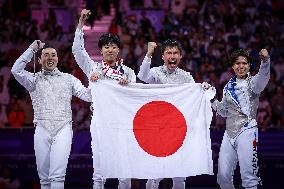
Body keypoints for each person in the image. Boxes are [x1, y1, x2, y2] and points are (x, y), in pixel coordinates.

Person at [11, 40, 92, 189]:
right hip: (41, 128)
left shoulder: (69, 79)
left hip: (63, 128)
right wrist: (31, 49)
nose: (50, 57)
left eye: (53, 55)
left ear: (57, 59)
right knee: (44, 179)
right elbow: (16, 70)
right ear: (40, 60)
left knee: (58, 176)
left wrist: (96, 81)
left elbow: (88, 96)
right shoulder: (33, 80)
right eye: (46, 55)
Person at [72, 9, 136, 189]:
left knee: (124, 169)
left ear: (118, 50)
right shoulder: (93, 69)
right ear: (101, 50)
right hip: (100, 121)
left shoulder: (129, 73)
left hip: (122, 122)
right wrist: (81, 24)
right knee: (99, 168)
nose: (110, 49)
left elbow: (134, 97)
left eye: (113, 46)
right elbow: (77, 50)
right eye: (106, 46)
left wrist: (128, 85)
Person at [137, 40, 211, 189]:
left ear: (180, 56)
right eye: (169, 53)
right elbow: (142, 76)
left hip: (178, 131)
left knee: (179, 175)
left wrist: (203, 88)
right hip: (158, 130)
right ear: (163, 57)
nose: (172, 56)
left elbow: (195, 97)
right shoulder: (156, 73)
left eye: (175, 53)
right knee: (154, 176)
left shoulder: (186, 77)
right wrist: (149, 53)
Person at [211, 49, 270, 189]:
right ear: (233, 66)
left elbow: (263, 77)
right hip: (229, 133)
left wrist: (265, 61)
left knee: (249, 178)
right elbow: (223, 112)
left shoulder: (254, 83)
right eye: (238, 63)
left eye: (244, 63)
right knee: (223, 177)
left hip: (247, 131)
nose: (241, 66)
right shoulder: (228, 87)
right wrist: (211, 99)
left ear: (249, 65)